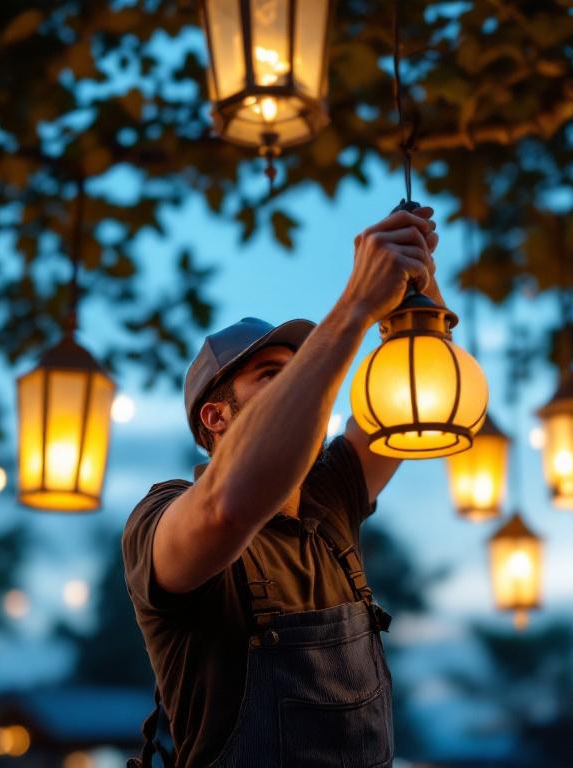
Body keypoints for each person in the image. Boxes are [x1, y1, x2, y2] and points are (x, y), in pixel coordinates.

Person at [122, 204, 443, 767]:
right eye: (275, 377)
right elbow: (228, 505)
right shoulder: (162, 518)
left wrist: (416, 293)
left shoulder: (331, 496)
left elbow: (407, 393)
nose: (303, 391)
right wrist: (355, 305)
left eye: (303, 374)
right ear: (215, 418)